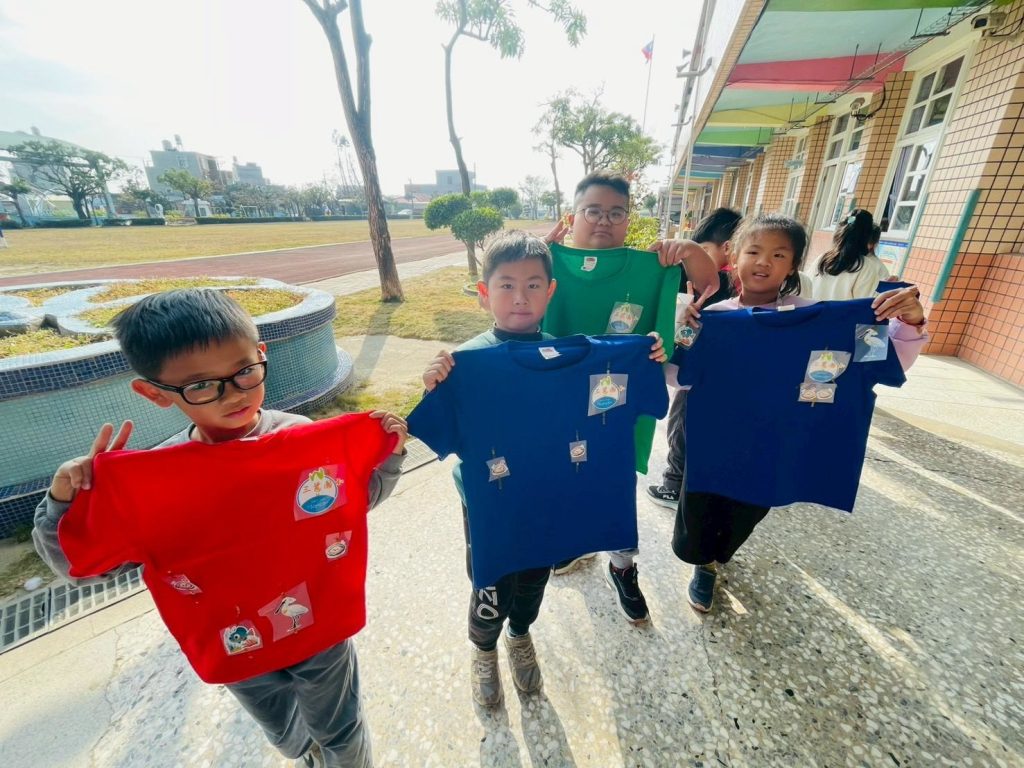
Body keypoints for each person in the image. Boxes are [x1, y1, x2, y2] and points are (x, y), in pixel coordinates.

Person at [33, 289, 409, 768]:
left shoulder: (300, 438)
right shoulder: (156, 484)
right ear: (154, 393)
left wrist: (389, 456)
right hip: (237, 647)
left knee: (342, 730)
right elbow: (81, 567)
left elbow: (348, 506)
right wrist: (66, 504)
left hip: (321, 630)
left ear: (261, 354)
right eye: (202, 385)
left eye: (245, 371)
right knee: (286, 736)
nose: (233, 393)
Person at [420, 231, 666, 705]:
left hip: (546, 495)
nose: (520, 297)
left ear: (551, 292)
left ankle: (520, 635)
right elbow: (436, 430)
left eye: (533, 285)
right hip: (489, 503)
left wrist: (645, 356)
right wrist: (433, 386)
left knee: (534, 575)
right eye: (507, 285)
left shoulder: (572, 358)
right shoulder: (463, 363)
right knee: (490, 582)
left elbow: (618, 396)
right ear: (484, 293)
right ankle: (484, 649)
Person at [674, 213, 927, 613]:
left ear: (793, 265)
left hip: (774, 445)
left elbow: (884, 362)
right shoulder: (714, 317)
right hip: (715, 440)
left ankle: (718, 556)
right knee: (699, 511)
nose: (763, 262)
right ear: (734, 256)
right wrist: (685, 330)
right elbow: (677, 377)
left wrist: (910, 322)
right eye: (754, 251)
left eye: (779, 255)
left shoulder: (825, 320)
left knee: (748, 509)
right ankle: (702, 564)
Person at [543, 171, 718, 624]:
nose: (604, 220)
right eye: (593, 211)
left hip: (616, 405)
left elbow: (709, 283)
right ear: (572, 216)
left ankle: (623, 565)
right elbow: (500, 302)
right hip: (558, 400)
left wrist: (690, 249)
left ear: (628, 219)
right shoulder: (544, 263)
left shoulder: (651, 266)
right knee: (565, 474)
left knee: (616, 482)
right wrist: (537, 255)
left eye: (616, 212)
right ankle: (577, 543)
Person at [646, 207, 741, 509]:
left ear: (728, 249)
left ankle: (674, 485)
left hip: (697, 378)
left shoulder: (722, 284)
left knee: (682, 426)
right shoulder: (742, 286)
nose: (696, 261)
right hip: (715, 378)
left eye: (704, 251)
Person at [811, 208, 892, 300]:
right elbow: (867, 303)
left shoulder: (822, 258)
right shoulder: (866, 266)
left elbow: (807, 289)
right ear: (867, 237)